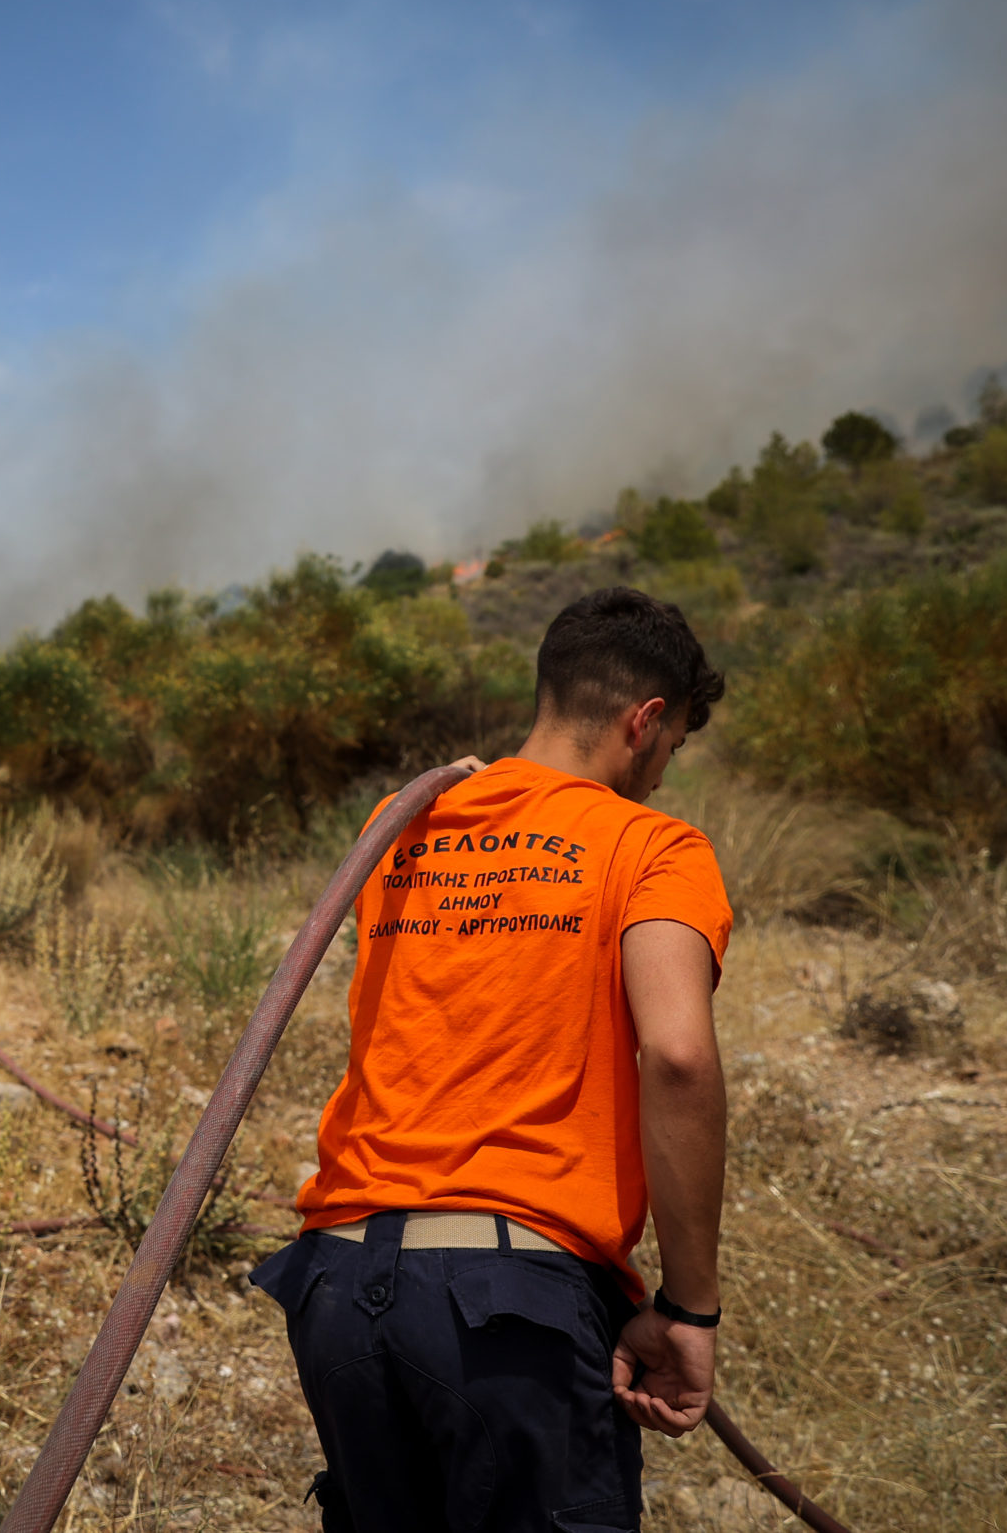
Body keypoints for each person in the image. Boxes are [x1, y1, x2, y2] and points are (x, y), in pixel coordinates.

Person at [250, 586, 733, 1532]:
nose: (664, 777)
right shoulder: (653, 844)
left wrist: (459, 784)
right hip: (507, 1303)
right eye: (670, 748)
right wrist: (692, 1307)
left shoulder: (403, 820)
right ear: (645, 721)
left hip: (341, 1288)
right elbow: (676, 1054)